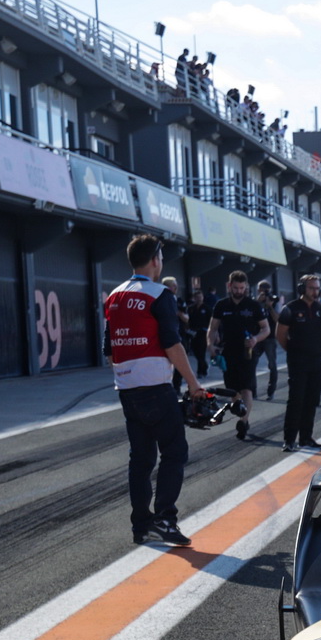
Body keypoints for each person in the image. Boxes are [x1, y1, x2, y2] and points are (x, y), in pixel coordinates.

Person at [103, 234, 205, 548]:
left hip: (127, 389)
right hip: (156, 389)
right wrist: (193, 383)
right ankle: (165, 519)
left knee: (141, 459)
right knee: (175, 452)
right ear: (156, 260)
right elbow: (172, 344)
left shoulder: (114, 297)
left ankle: (141, 525)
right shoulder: (160, 294)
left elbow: (109, 350)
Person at [276, 274, 321, 452]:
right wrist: (294, 351)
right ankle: (289, 439)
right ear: (302, 289)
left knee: (312, 399)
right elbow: (281, 336)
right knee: (296, 400)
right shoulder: (290, 309)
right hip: (298, 362)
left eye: (317, 288)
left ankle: (306, 438)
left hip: (317, 361)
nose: (315, 291)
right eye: (311, 288)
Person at [208, 270, 271, 419]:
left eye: (242, 288)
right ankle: (239, 410)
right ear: (229, 286)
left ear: (246, 287)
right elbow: (213, 328)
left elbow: (266, 329)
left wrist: (255, 339)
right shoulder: (221, 305)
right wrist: (210, 345)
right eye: (236, 288)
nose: (239, 291)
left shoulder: (254, 305)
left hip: (248, 352)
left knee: (246, 389)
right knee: (233, 390)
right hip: (228, 351)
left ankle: (244, 421)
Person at [254, 283, 281, 401]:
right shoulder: (255, 303)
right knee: (251, 364)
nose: (265, 293)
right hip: (257, 337)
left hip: (270, 338)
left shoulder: (274, 301)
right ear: (259, 290)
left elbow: (278, 319)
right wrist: (258, 303)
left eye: (267, 291)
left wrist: (269, 306)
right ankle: (252, 391)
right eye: (263, 291)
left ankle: (271, 392)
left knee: (272, 365)